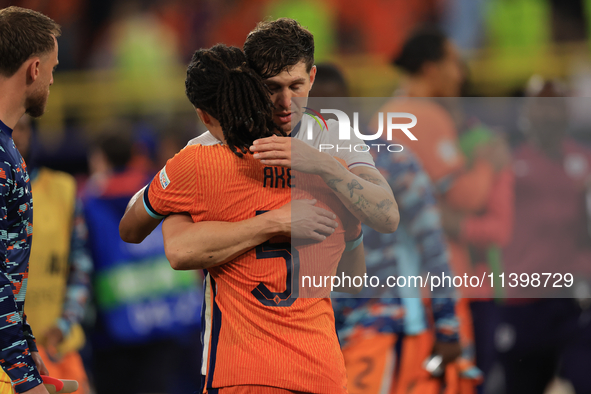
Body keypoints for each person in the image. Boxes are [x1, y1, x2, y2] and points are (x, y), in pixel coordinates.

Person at [123, 43, 367, 393]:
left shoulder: (198, 165)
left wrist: (176, 203)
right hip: (322, 371)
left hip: (245, 371)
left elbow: (135, 231)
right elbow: (353, 280)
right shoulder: (328, 166)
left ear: (203, 114)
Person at [119, 18, 399, 251]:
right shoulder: (214, 144)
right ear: (251, 82)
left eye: (296, 86)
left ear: (312, 77)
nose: (286, 102)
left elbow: (388, 218)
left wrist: (322, 164)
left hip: (321, 308)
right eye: (272, 87)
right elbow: (162, 241)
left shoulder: (333, 134)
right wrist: (274, 223)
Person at [309, 64, 461, 394]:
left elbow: (432, 245)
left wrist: (447, 327)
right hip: (316, 327)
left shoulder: (391, 160)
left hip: (380, 317)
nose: (324, 117)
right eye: (313, 109)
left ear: (350, 107)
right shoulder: (295, 165)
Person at [83, 131, 202, 394]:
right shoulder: (158, 188)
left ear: (100, 159)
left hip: (114, 325)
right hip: (169, 315)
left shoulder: (88, 202)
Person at [0, 115, 92, 394]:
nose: (16, 135)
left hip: (58, 350)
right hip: (7, 359)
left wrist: (65, 322)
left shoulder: (63, 189)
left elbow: (81, 265)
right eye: (10, 129)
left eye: (24, 128)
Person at [0, 6, 60, 394]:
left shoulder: (9, 148)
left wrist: (25, 342)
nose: (54, 80)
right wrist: (23, 376)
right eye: (54, 68)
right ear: (34, 69)